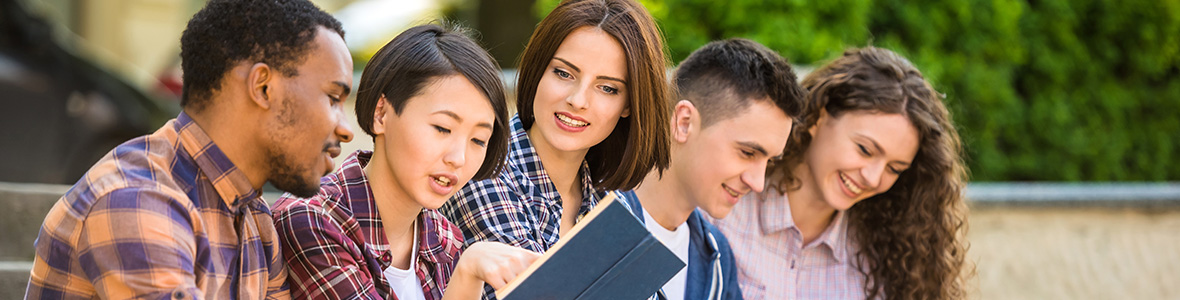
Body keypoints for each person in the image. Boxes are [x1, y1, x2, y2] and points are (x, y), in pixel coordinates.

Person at [24, 0, 354, 298]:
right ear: (263, 87)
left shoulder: (256, 220)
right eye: (333, 98)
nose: (345, 129)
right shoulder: (137, 198)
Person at [271, 24, 539, 300]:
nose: (458, 158)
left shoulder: (445, 238)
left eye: (478, 140)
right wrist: (467, 273)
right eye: (442, 128)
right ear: (381, 113)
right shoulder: (311, 221)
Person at [710, 46, 970, 299]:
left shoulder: (884, 262)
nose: (873, 177)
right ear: (819, 117)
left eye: (894, 169)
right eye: (865, 150)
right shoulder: (721, 210)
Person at [440, 0, 670, 263]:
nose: (578, 100)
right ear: (538, 70)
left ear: (629, 104)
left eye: (607, 88)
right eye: (563, 73)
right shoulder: (484, 174)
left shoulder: (608, 200)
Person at [617, 38, 806, 300]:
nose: (758, 183)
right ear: (684, 123)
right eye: (748, 152)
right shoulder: (587, 216)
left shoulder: (718, 260)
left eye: (770, 161)